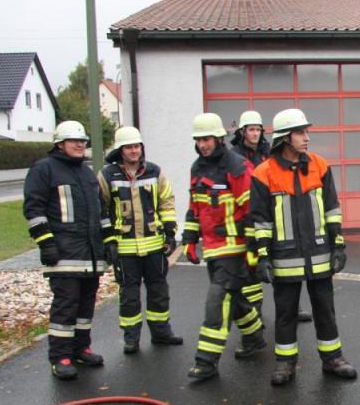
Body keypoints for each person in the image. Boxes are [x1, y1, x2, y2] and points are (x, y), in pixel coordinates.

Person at [248, 108, 356, 386]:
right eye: (300, 133)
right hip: (284, 258)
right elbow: (260, 220)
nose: (307, 137)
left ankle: (333, 359)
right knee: (285, 312)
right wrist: (262, 257)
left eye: (307, 132)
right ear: (286, 138)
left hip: (320, 254)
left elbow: (332, 209)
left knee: (325, 308)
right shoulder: (264, 173)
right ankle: (286, 363)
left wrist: (339, 246)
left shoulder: (319, 165)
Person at [23, 121, 118, 380]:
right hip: (64, 255)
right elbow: (34, 210)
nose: (80, 145)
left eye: (82, 141)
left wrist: (109, 242)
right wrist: (46, 243)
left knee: (86, 306)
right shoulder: (44, 170)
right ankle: (60, 357)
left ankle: (80, 348)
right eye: (74, 141)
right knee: (66, 307)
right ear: (59, 144)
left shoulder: (87, 174)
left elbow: (102, 212)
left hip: (90, 255)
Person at [183, 113, 266, 381]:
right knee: (237, 296)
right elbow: (195, 208)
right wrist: (189, 240)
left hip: (234, 247)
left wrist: (254, 248)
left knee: (217, 300)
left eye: (206, 139)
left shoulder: (237, 166)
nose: (203, 144)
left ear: (219, 137)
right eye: (198, 140)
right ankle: (254, 336)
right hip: (213, 248)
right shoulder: (197, 167)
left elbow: (252, 208)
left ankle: (206, 362)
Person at [98, 126, 184, 354]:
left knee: (158, 292)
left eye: (137, 146)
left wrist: (169, 233)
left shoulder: (154, 172)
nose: (134, 151)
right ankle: (131, 338)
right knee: (129, 296)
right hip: (124, 248)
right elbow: (101, 209)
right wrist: (108, 241)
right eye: (129, 147)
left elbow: (166, 201)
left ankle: (161, 333)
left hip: (154, 246)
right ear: (120, 150)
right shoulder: (107, 175)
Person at [232, 110, 313, 325]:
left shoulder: (268, 152)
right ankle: (254, 315)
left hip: (271, 217)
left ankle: (293, 308)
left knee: (282, 268)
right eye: (251, 129)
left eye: (259, 129)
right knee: (251, 273)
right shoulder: (234, 156)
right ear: (242, 132)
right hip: (247, 222)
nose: (256, 133)